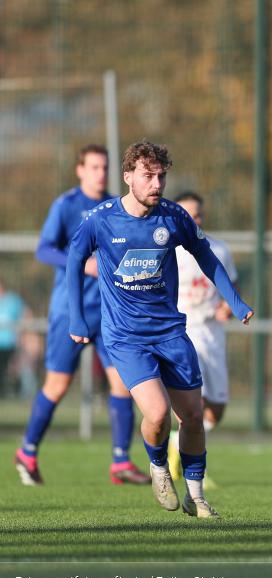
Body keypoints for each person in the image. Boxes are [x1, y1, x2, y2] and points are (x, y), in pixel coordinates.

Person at [66, 140, 253, 518]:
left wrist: (235, 301)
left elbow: (205, 255)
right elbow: (73, 259)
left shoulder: (174, 217)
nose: (156, 183)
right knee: (156, 414)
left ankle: (196, 497)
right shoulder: (101, 219)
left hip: (170, 332)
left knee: (194, 416)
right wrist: (77, 317)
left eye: (161, 176)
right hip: (125, 336)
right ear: (128, 176)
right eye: (148, 176)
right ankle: (157, 467)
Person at [14, 145, 150, 486]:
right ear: (80, 170)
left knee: (123, 384)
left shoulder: (115, 206)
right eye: (93, 167)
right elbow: (44, 249)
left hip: (110, 312)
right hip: (69, 312)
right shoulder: (66, 205)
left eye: (104, 167)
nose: (100, 173)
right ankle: (27, 451)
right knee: (57, 387)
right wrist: (83, 263)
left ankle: (120, 461)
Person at [168, 191, 239, 486]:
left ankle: (175, 444)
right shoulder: (169, 250)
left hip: (214, 335)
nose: (194, 219)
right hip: (186, 333)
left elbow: (229, 288)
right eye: (188, 214)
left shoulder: (217, 250)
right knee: (193, 405)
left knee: (217, 409)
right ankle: (192, 465)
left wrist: (227, 307)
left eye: (198, 214)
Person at [0, 278, 28, 397]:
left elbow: (26, 315)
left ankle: (18, 392)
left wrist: (22, 337)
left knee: (12, 370)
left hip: (10, 344)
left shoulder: (13, 300)